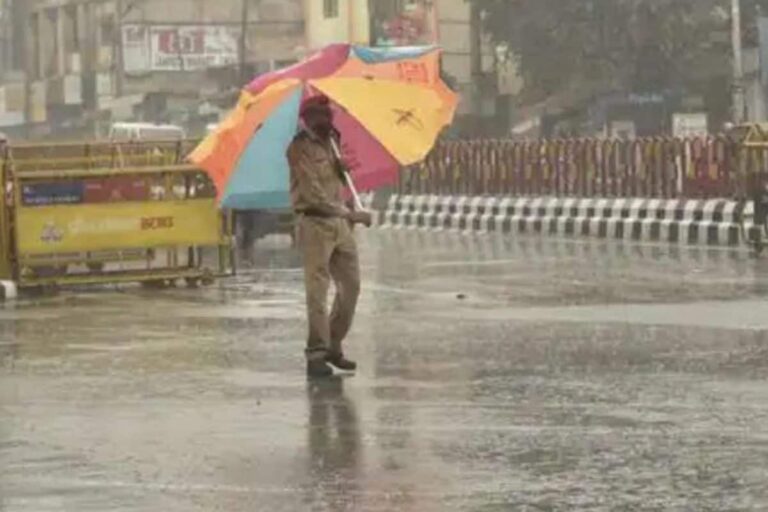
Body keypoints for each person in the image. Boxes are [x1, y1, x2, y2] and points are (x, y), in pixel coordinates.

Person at [287, 95, 372, 378]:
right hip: (315, 224)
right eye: (321, 115)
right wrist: (351, 215)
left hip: (340, 225)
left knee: (351, 287)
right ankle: (317, 354)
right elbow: (314, 196)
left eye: (329, 113)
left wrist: (342, 169)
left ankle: (334, 344)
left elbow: (337, 185)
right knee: (317, 292)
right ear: (308, 118)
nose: (327, 119)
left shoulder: (333, 140)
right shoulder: (299, 149)